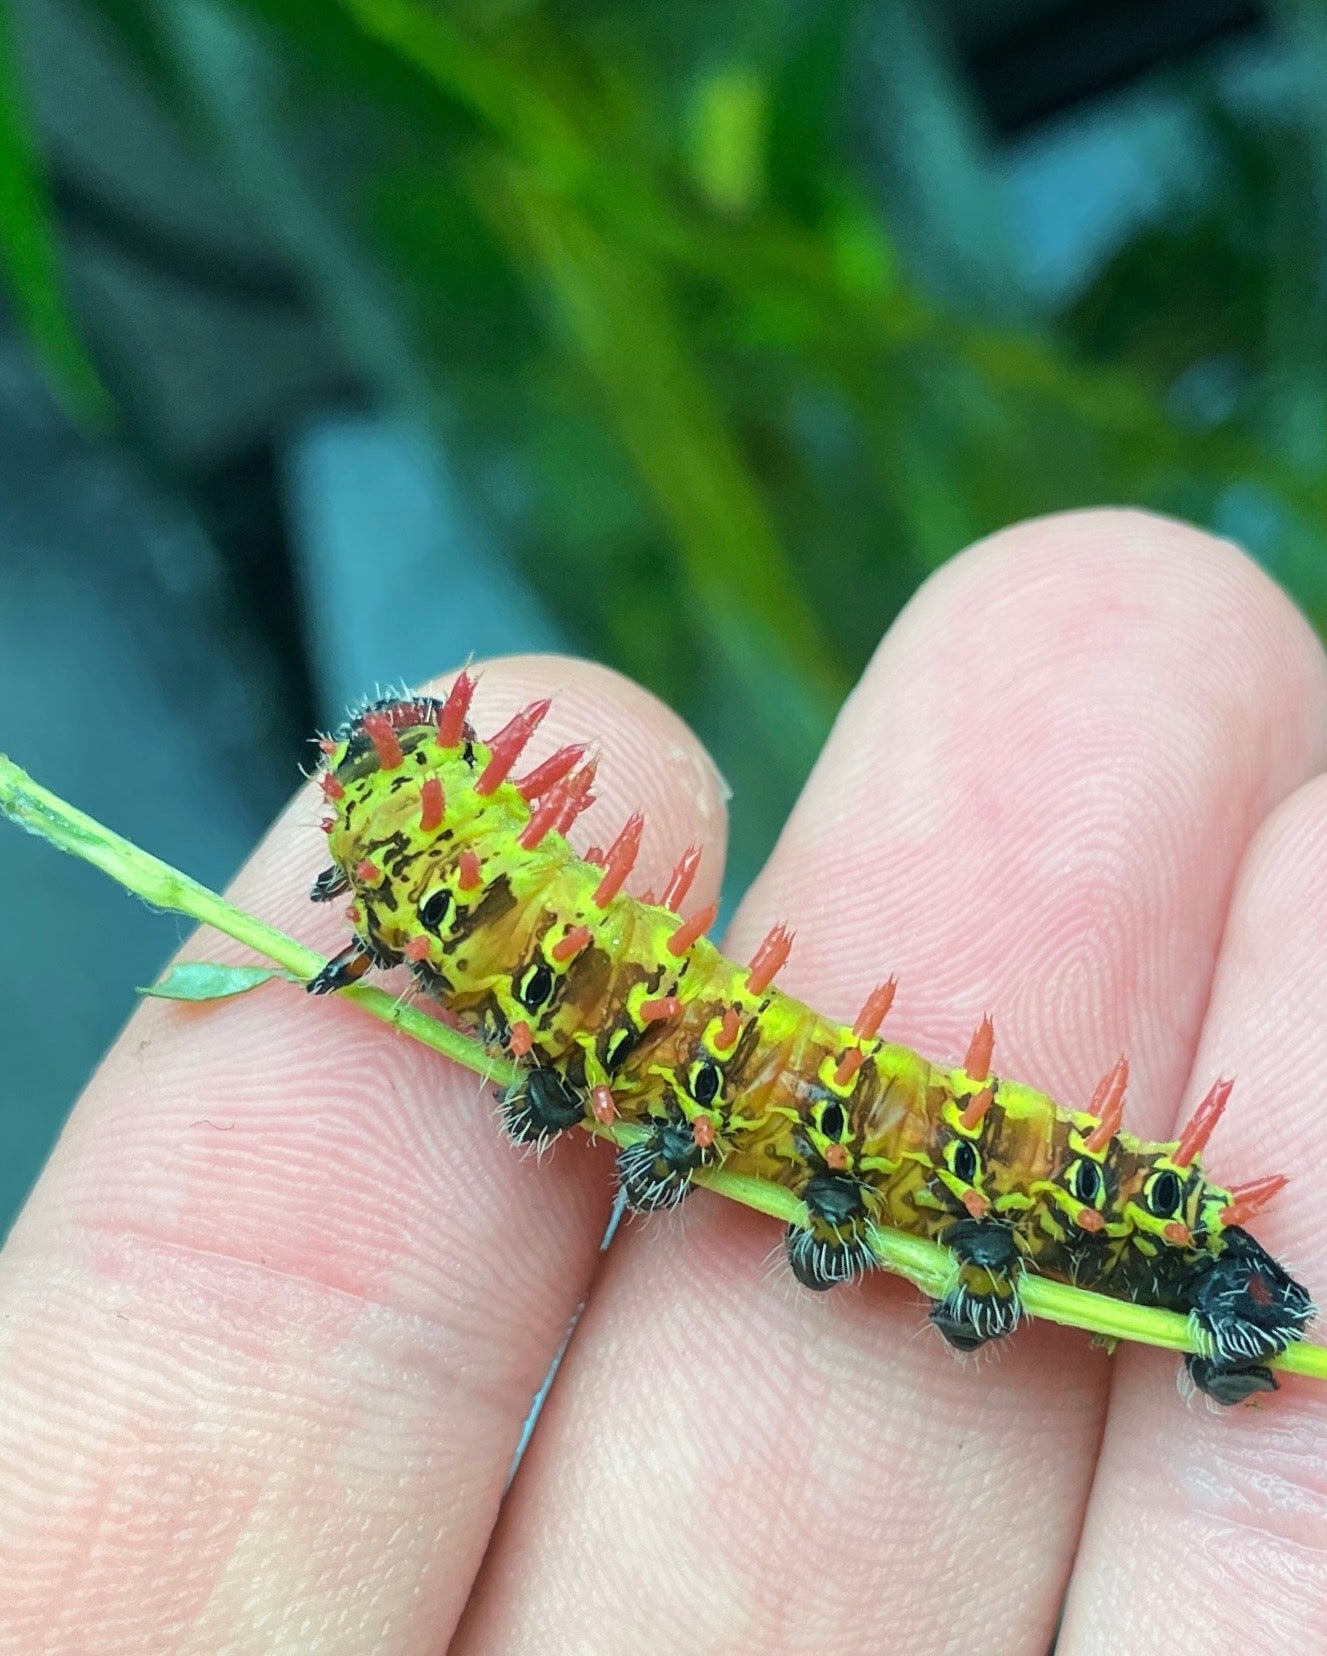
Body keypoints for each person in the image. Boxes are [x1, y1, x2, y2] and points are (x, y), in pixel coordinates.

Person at [1, 508, 1325, 1653]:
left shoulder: (547, 970)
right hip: (876, 1144)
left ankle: (1189, 1260)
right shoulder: (557, 970)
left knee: (864, 1117)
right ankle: (1190, 1267)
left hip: (984, 1172)